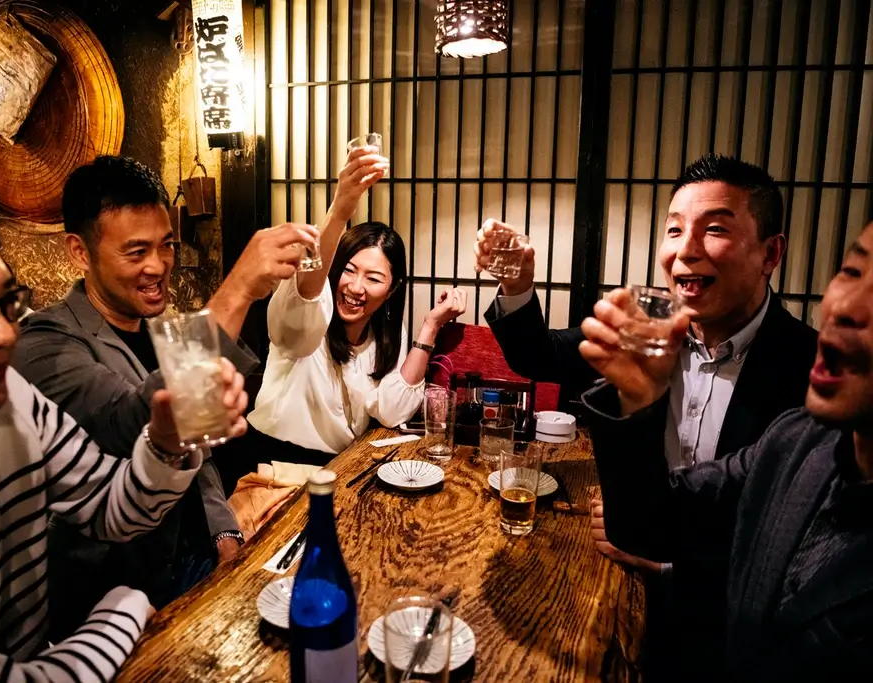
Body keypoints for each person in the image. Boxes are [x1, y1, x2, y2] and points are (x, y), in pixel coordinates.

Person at [0, 169, 248, 681]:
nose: (2, 335)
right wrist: (120, 612)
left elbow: (112, 507)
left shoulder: (7, 401)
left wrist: (167, 443)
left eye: (6, 303)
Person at [475, 154, 818, 679]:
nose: (685, 249)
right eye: (675, 229)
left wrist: (667, 562)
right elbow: (540, 358)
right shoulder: (652, 329)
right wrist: (519, 285)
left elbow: (790, 540)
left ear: (771, 253)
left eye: (716, 229)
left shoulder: (811, 369)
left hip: (727, 628)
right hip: (615, 577)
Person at [11, 156, 317, 637]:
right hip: (117, 596)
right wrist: (237, 289)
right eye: (135, 252)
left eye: (166, 245)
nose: (158, 266)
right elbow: (134, 422)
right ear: (79, 251)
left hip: (194, 556)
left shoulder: (160, 329)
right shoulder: (45, 344)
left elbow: (200, 447)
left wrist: (224, 530)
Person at [577, 220, 873, 680]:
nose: (845, 307)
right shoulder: (798, 441)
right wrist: (637, 403)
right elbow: (652, 525)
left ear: (770, 256)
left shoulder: (791, 363)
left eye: (715, 228)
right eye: (852, 272)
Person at [229, 146, 467, 479]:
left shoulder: (383, 334)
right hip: (272, 472)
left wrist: (430, 326)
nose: (356, 287)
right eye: (348, 270)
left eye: (373, 278)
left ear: (392, 290)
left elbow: (390, 410)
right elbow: (304, 296)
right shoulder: (311, 318)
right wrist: (340, 210)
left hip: (340, 471)